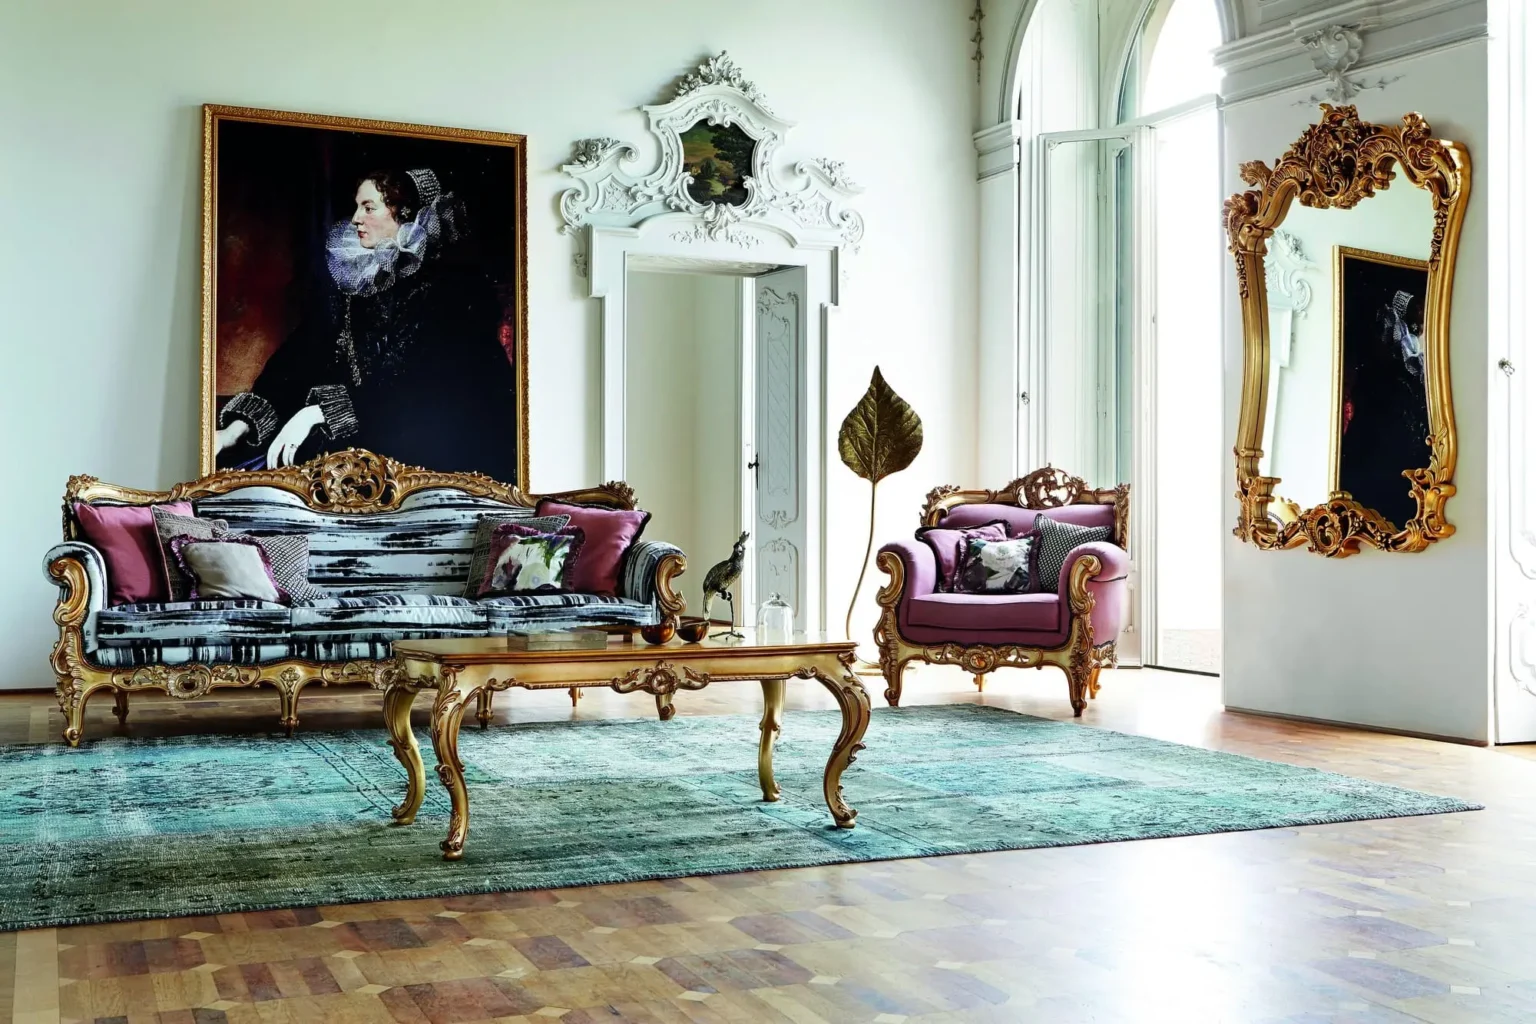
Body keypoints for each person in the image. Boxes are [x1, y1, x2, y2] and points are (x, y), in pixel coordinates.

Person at [214, 167, 520, 482]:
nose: (356, 218)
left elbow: (422, 389)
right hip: (363, 449)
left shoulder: (451, 290)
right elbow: (298, 358)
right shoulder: (357, 286)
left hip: (439, 458)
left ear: (405, 215)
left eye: (369, 208)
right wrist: (237, 428)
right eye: (357, 206)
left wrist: (321, 412)